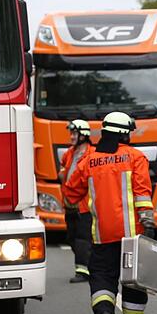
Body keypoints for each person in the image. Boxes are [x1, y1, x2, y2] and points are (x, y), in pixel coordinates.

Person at [64, 111, 154, 314]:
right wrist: (149, 222)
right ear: (125, 133)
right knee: (134, 282)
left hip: (102, 235)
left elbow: (71, 192)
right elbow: (142, 193)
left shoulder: (89, 161)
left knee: (102, 277)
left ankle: (104, 312)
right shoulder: (136, 157)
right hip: (132, 235)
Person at [59, 119, 93, 284]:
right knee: (71, 238)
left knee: (82, 238)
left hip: (84, 205)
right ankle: (90, 264)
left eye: (74, 133)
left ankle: (83, 271)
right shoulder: (69, 153)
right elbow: (63, 172)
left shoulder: (92, 154)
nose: (71, 137)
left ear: (83, 135)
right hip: (70, 204)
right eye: (71, 133)